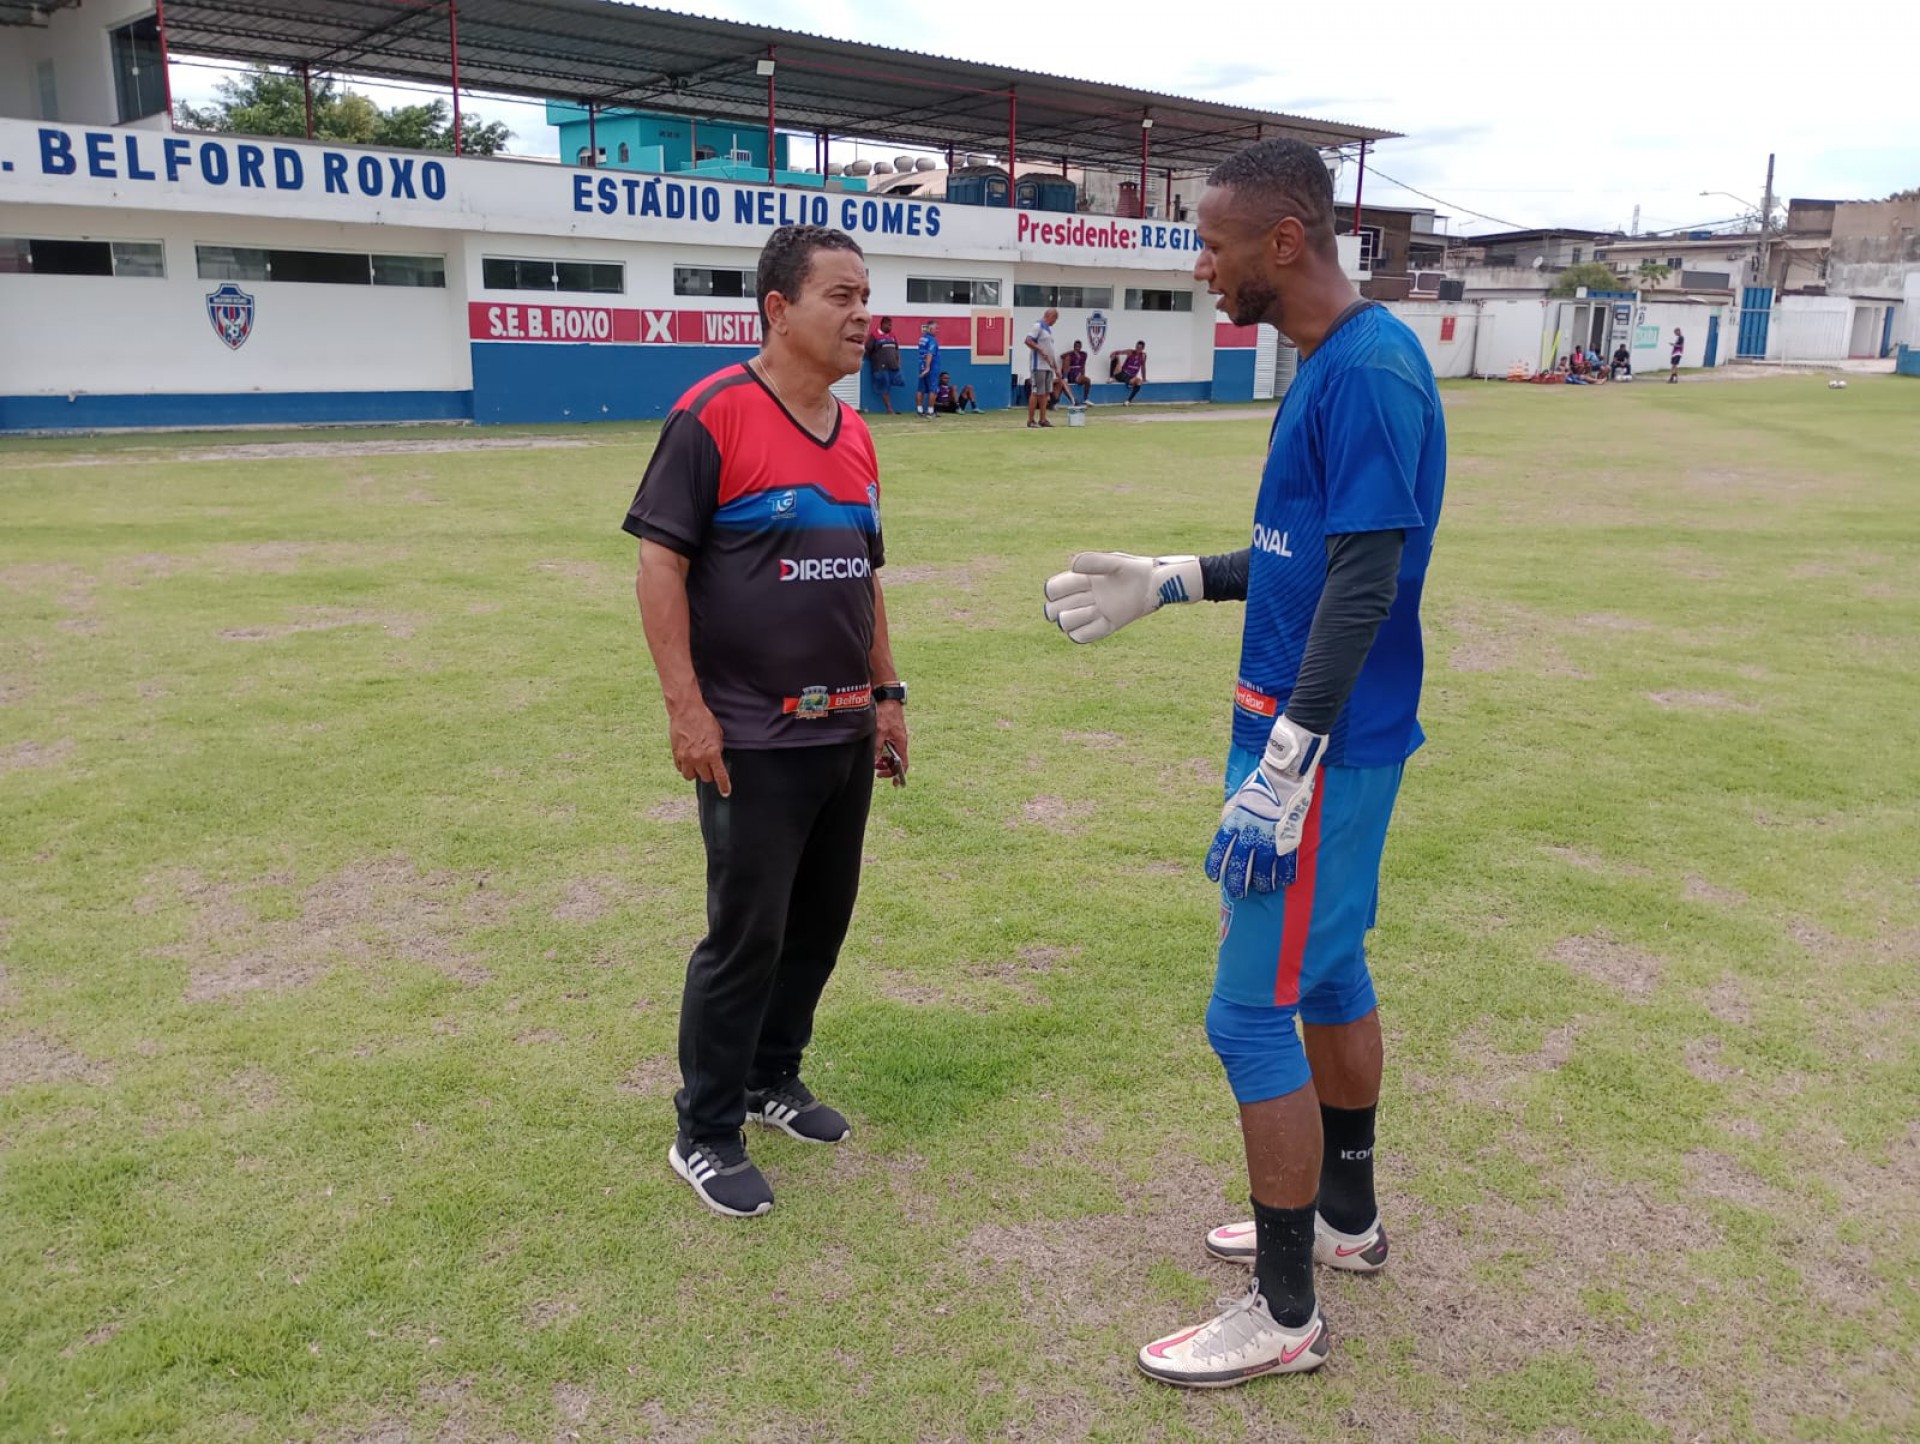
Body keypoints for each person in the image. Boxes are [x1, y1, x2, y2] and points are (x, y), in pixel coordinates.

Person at [1043, 136, 1445, 1388]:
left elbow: (1367, 582)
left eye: (1213, 242)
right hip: (1308, 736)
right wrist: (1175, 579)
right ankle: (1346, 1217)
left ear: (1287, 240)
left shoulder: (1372, 372)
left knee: (1247, 1009)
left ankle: (1283, 1314)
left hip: (1311, 750)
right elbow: (1298, 556)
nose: (1202, 265)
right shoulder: (1330, 363)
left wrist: (1285, 764)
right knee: (1327, 976)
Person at [624, 225, 911, 1220]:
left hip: (838, 732)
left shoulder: (859, 432)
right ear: (778, 309)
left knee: (819, 928)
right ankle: (704, 1128)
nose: (863, 315)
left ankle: (771, 1077)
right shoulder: (713, 416)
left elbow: (864, 574)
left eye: (866, 295)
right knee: (746, 935)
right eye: (841, 296)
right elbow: (659, 566)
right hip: (748, 736)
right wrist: (688, 710)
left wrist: (887, 693)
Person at [1025, 307, 1060, 428]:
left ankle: (1043, 419)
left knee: (1045, 393)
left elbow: (1051, 351)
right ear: (1050, 316)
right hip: (1038, 365)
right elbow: (1028, 341)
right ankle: (1031, 420)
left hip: (1048, 366)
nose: (1055, 322)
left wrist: (1056, 367)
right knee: (1036, 392)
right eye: (1055, 319)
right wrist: (1040, 350)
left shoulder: (1048, 331)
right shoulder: (1038, 326)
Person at [865, 316, 903, 414]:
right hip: (880, 367)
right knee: (884, 386)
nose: (890, 327)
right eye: (889, 325)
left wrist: (898, 362)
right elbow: (867, 349)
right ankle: (889, 409)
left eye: (891, 325)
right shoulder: (875, 335)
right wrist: (874, 360)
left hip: (893, 367)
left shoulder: (892, 335)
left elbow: (896, 350)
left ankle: (890, 408)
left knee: (894, 384)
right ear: (883, 324)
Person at [915, 320, 940, 418]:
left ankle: (919, 411)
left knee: (920, 389)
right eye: (936, 328)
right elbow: (930, 354)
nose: (937, 331)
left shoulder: (922, 339)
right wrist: (928, 368)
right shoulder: (932, 340)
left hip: (921, 366)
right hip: (931, 368)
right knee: (933, 389)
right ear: (930, 329)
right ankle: (930, 412)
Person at [1061, 340, 1091, 406]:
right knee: (1067, 358)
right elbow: (1061, 356)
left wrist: (1083, 375)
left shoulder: (1083, 354)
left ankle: (1085, 399)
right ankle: (1065, 378)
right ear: (1074, 347)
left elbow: (1083, 366)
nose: (1077, 348)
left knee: (1088, 380)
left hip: (1078, 375)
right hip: (1070, 374)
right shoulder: (1070, 354)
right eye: (1076, 346)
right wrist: (1072, 352)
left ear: (1081, 347)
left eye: (1079, 346)